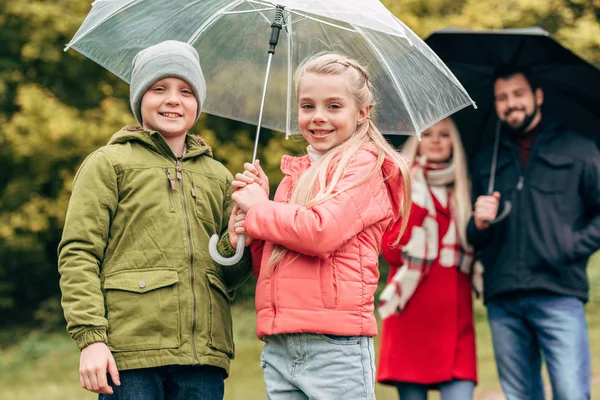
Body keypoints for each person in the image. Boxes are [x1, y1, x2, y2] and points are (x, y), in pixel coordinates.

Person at [57, 40, 251, 399]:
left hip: (203, 357)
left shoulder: (221, 176)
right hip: (129, 356)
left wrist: (240, 237)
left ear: (198, 102)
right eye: (159, 88)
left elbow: (230, 276)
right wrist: (91, 340)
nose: (173, 99)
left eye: (186, 91)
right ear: (138, 99)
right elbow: (79, 253)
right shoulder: (109, 163)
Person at [228, 53, 412, 400]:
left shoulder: (363, 168)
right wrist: (250, 226)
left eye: (333, 106)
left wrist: (262, 210)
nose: (318, 118)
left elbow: (319, 233)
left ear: (362, 112)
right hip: (282, 344)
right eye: (308, 106)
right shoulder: (292, 177)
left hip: (335, 345)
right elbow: (270, 265)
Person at [467, 65, 600, 400]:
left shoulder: (578, 147)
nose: (511, 103)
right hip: (503, 299)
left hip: (559, 293)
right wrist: (479, 223)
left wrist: (571, 246)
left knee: (571, 393)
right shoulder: (486, 159)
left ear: (537, 96)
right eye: (502, 97)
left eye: (518, 94)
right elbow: (474, 236)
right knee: (521, 396)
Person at [376, 118, 481, 400]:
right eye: (427, 133)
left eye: (444, 134)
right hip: (411, 321)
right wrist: (417, 206)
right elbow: (392, 253)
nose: (436, 140)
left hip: (456, 325)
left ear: (453, 144)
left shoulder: (465, 190)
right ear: (417, 141)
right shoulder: (402, 186)